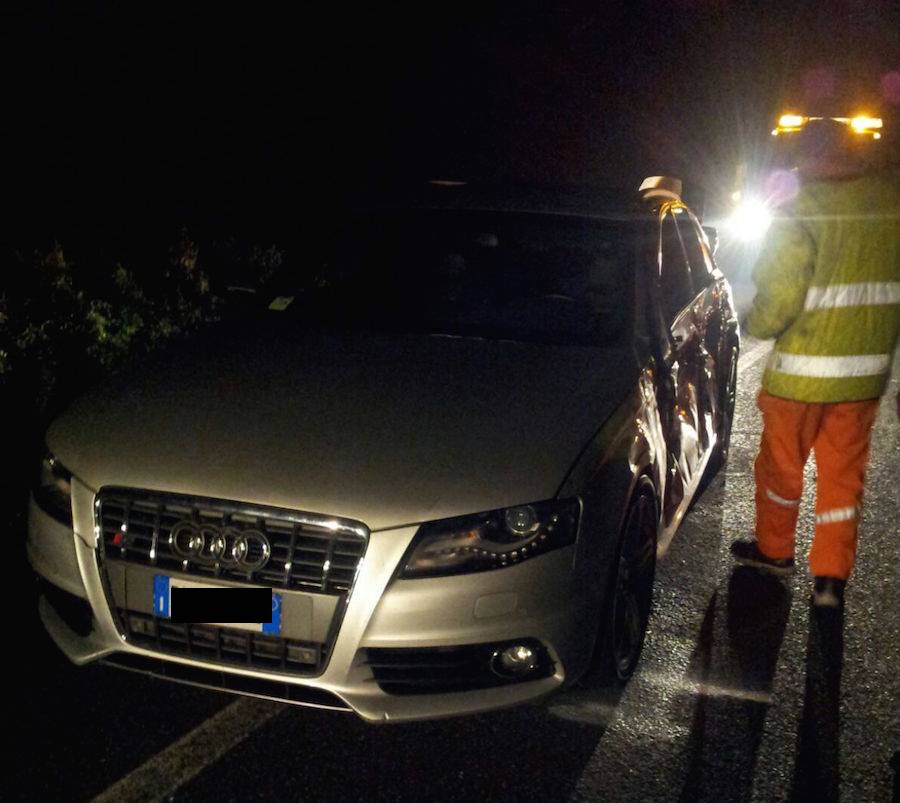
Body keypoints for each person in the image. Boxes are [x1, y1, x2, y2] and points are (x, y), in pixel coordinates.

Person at [731, 119, 900, 607]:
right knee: (843, 478)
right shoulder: (890, 203)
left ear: (809, 156)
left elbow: (781, 295)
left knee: (782, 469)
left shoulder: (800, 205)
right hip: (863, 378)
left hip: (800, 377)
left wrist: (756, 325)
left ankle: (775, 551)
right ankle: (830, 579)